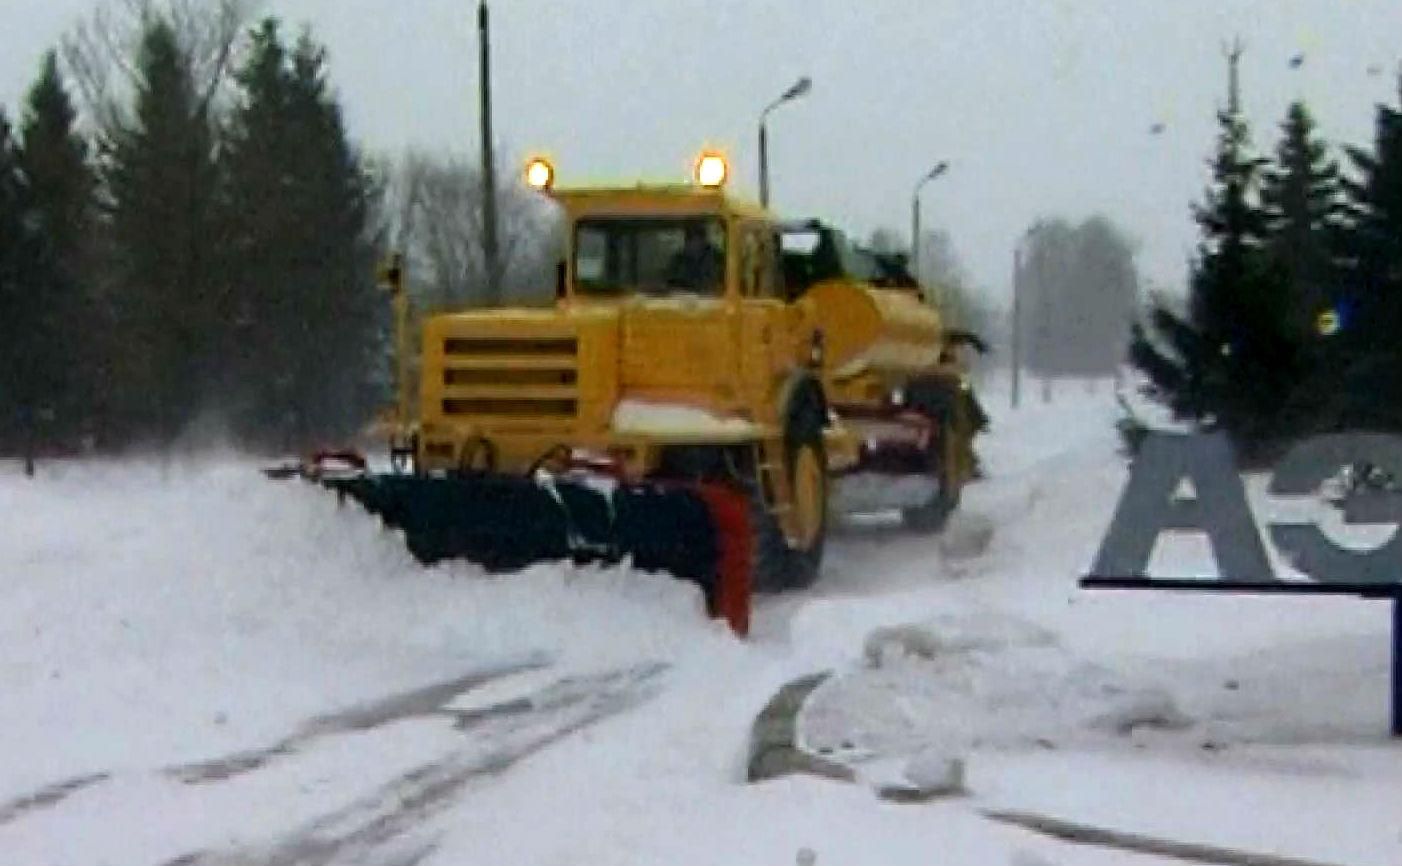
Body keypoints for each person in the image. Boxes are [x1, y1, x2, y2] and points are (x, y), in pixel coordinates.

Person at [665, 223, 724, 293]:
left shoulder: (718, 258)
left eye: (693, 237)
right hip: (681, 297)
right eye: (687, 238)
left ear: (704, 239)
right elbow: (668, 280)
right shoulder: (679, 259)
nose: (688, 242)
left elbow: (720, 284)